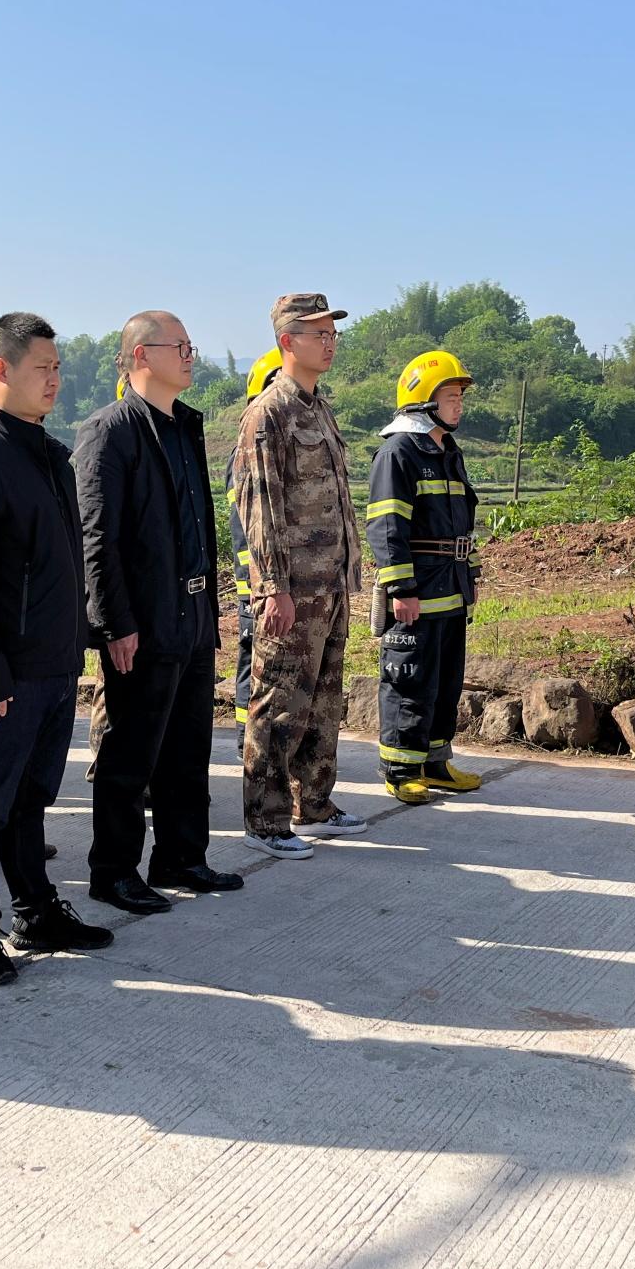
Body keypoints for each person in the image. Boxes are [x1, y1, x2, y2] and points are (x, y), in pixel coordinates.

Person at [0, 312, 112, 986]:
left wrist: (79, 643)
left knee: (31, 800)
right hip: (5, 672)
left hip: (54, 663)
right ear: (0, 371)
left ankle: (34, 909)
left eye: (59, 369)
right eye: (44, 368)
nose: (55, 381)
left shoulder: (51, 456)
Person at [74, 311, 243, 915]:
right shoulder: (110, 432)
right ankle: (113, 871)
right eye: (182, 346)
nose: (192, 355)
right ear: (142, 356)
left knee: (189, 746)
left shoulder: (182, 427)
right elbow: (98, 538)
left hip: (193, 613)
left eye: (192, 345)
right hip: (142, 621)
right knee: (130, 753)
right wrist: (115, 623)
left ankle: (181, 856)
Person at [233, 293, 367, 858]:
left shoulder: (318, 407)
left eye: (333, 331)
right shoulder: (269, 414)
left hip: (330, 584)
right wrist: (273, 588)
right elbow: (259, 507)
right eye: (317, 333)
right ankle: (264, 822)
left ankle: (313, 804)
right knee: (278, 704)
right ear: (287, 341)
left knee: (323, 703)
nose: (330, 341)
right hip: (293, 590)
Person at [366, 350, 486, 804]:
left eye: (458, 396)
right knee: (409, 679)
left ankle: (435, 762)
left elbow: (461, 523)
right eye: (451, 396)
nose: (459, 405)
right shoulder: (399, 451)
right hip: (418, 590)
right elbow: (385, 525)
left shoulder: (446, 450)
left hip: (450, 588)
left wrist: (469, 573)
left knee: (446, 679)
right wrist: (401, 587)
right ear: (423, 400)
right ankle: (400, 769)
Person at [223, 349, 283, 751]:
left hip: (275, 580)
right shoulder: (246, 450)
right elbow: (245, 528)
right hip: (257, 583)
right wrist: (253, 581)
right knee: (253, 661)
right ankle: (249, 737)